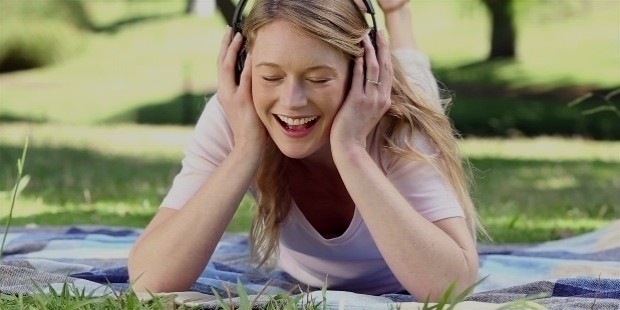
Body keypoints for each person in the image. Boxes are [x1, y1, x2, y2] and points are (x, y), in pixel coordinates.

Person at [128, 0, 483, 301]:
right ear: (241, 68)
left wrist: (351, 150)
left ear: (362, 73)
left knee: (415, 78)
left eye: (318, 79)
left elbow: (452, 288)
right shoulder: (233, 114)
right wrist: (246, 148)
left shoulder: (400, 122)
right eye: (270, 77)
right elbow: (149, 278)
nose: (292, 101)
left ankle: (398, 11)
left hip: (398, 105)